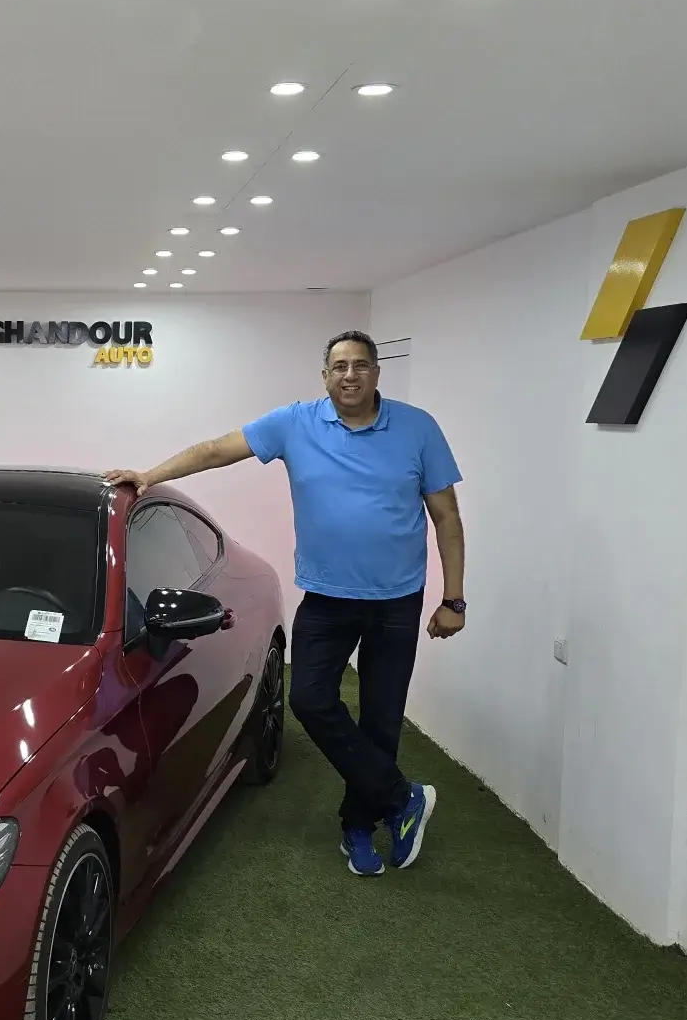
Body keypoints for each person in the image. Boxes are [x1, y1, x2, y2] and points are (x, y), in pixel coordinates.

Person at [104, 330, 465, 877]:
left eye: (360, 365)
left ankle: (358, 826)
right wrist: (150, 475)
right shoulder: (296, 423)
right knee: (310, 700)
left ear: (376, 373)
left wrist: (453, 599)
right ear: (325, 376)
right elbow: (217, 450)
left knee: (381, 719)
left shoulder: (418, 429)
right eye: (339, 366)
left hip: (396, 602)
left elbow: (446, 517)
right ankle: (402, 798)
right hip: (326, 597)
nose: (349, 375)